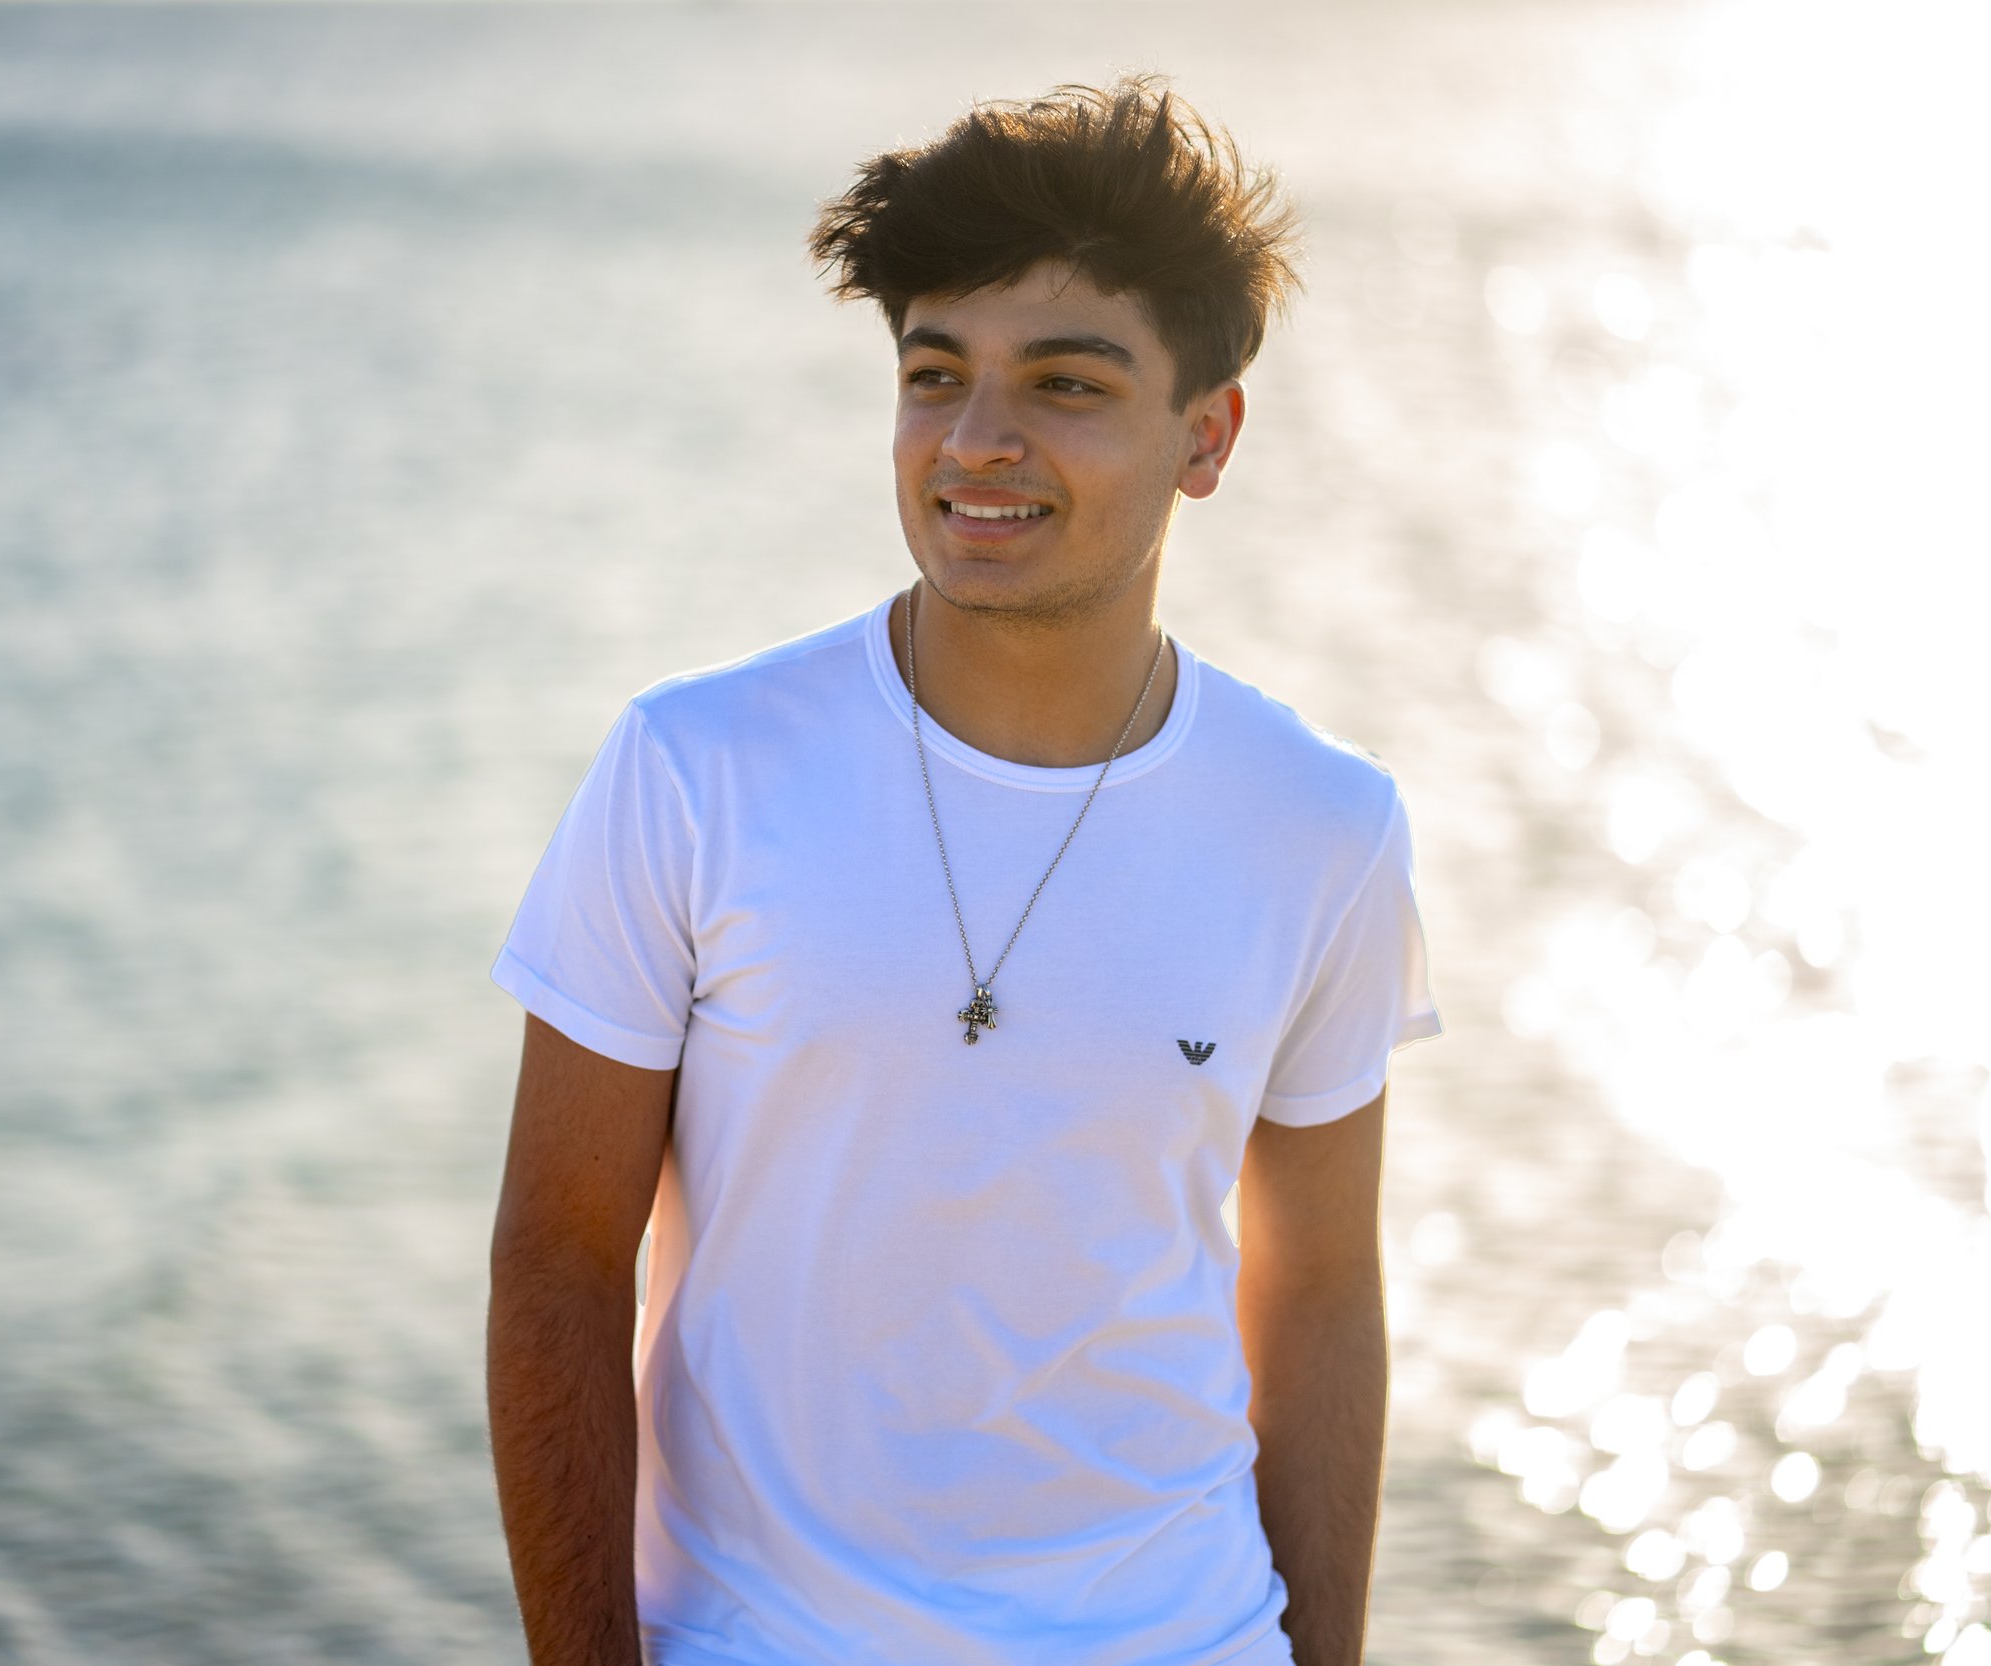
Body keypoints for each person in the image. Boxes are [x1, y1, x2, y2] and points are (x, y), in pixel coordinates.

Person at [484, 73, 1444, 1666]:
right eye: (939, 376)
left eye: (1064, 384)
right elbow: (558, 1259)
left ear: (1205, 437)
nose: (977, 442)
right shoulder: (695, 768)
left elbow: (1325, 1291)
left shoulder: (1323, 823)